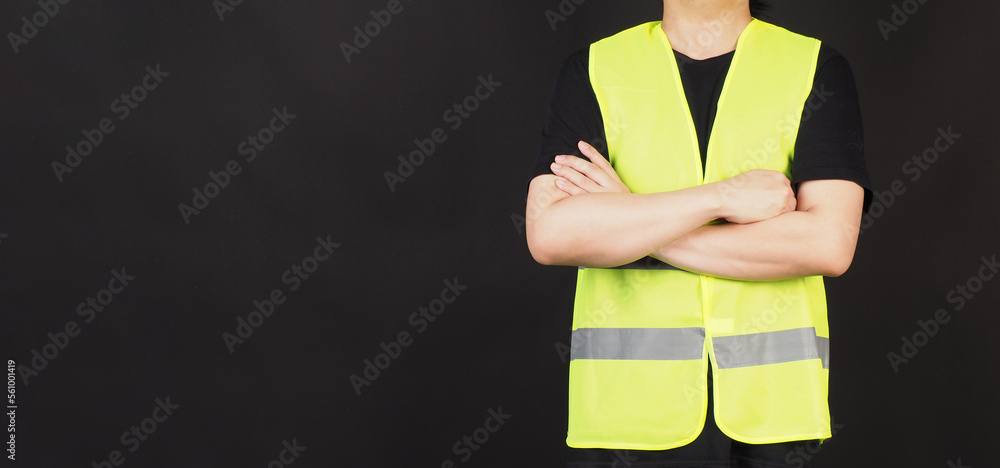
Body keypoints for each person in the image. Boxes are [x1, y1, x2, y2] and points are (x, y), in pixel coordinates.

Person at [525, 0, 872, 466]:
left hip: (771, 418)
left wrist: (628, 218)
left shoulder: (813, 67)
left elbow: (828, 244)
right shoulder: (595, 68)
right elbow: (551, 235)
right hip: (629, 417)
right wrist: (721, 198)